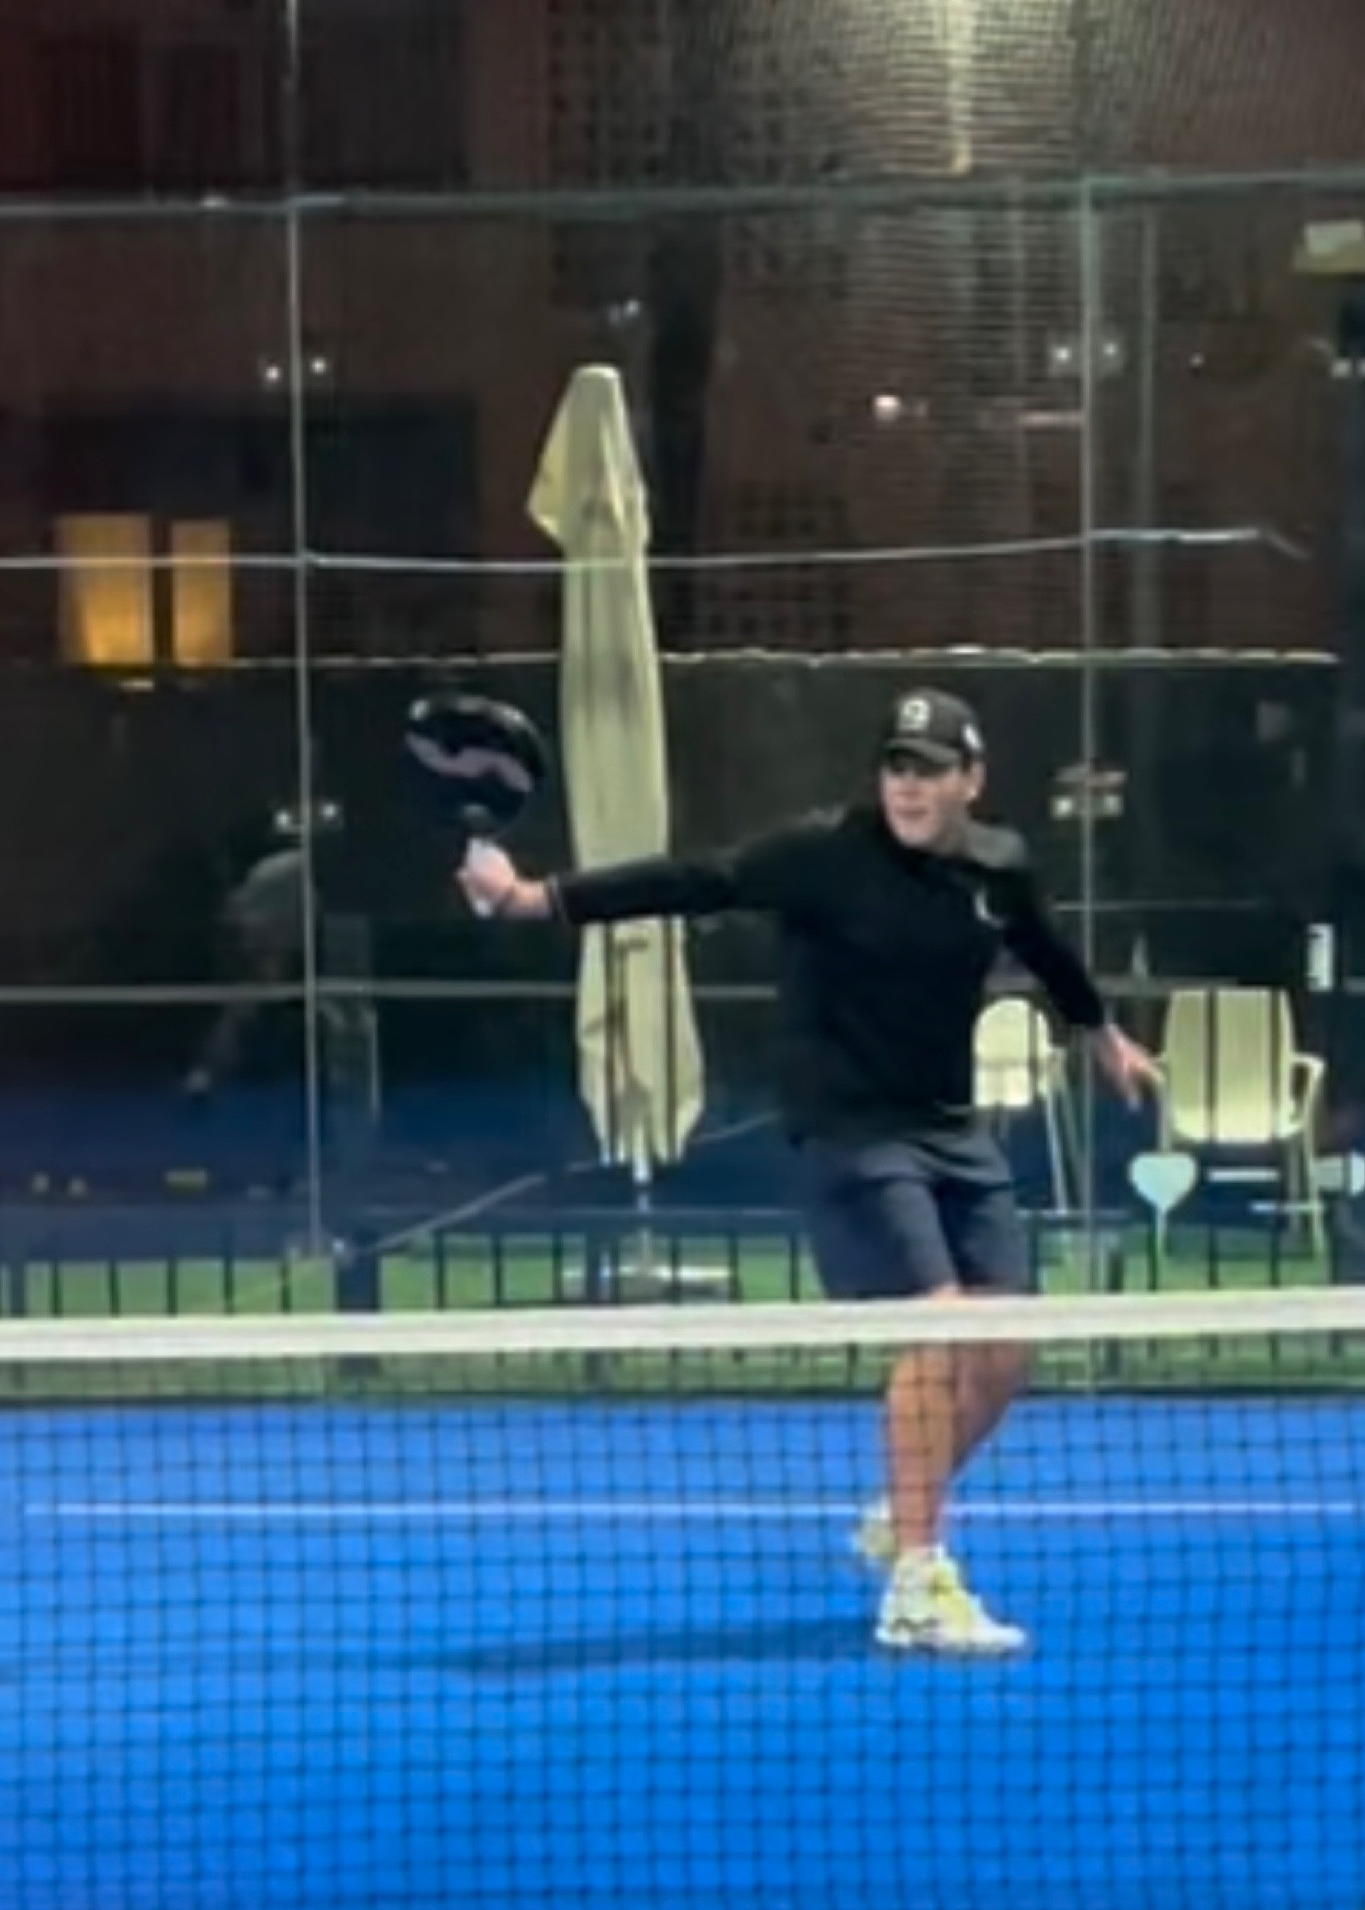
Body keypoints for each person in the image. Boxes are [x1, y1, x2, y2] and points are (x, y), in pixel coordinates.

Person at [460, 688, 1154, 1657]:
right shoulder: (823, 855)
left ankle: (901, 1509)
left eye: (930, 770)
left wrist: (1102, 1032)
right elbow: (697, 879)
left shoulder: (998, 867)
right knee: (940, 1326)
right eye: (897, 767)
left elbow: (1045, 947)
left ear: (971, 780)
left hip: (953, 1131)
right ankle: (916, 1582)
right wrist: (536, 898)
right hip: (852, 1135)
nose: (909, 787)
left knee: (1006, 1349)